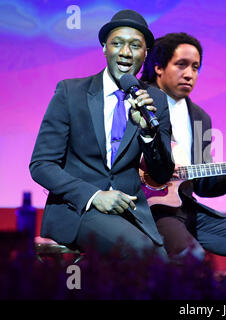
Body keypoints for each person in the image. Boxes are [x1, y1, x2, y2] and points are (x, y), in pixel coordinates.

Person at [140, 32, 226, 299]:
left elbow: (203, 184)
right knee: (192, 258)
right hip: (148, 209)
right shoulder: (137, 101)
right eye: (181, 64)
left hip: (184, 207)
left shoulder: (199, 118)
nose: (189, 74)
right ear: (158, 67)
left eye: (195, 67)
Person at [29, 10, 174, 259]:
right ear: (104, 48)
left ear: (145, 53)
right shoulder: (71, 92)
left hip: (130, 213)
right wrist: (94, 196)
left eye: (135, 46)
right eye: (117, 43)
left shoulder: (155, 100)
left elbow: (161, 174)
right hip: (78, 209)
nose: (125, 53)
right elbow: (41, 165)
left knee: (163, 264)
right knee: (142, 254)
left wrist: (149, 133)